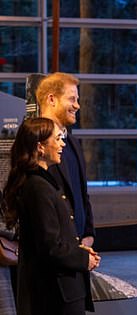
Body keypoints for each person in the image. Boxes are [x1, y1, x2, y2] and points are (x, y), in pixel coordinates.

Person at [1, 118, 100, 315]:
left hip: (56, 295)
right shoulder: (39, 188)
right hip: (58, 296)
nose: (62, 143)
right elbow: (50, 248)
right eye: (57, 139)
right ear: (40, 147)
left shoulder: (38, 184)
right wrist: (84, 259)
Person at [36, 72, 95, 248]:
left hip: (77, 252)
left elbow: (82, 193)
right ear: (52, 99)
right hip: (52, 255)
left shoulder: (73, 142)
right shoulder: (32, 141)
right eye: (71, 99)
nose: (77, 106)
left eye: (77, 100)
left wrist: (88, 234)